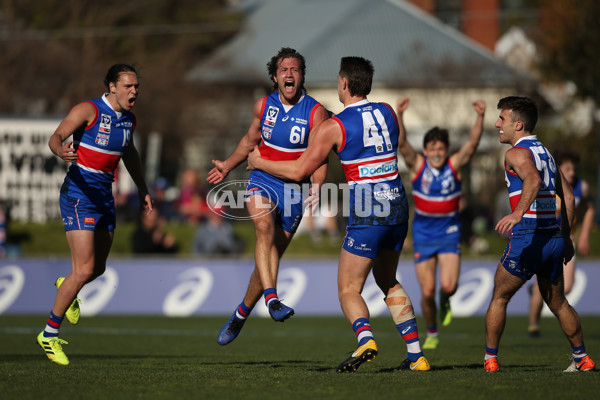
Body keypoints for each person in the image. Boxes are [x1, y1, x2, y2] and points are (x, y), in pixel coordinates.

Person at [248, 56, 430, 373]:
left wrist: (259, 163)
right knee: (388, 280)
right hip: (399, 204)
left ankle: (365, 339)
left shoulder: (334, 127)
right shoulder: (388, 112)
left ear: (343, 83)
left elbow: (299, 169)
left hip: (368, 208)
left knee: (348, 288)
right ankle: (417, 356)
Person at [207, 47, 329, 345]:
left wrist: (317, 185)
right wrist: (227, 164)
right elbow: (250, 141)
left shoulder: (316, 112)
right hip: (261, 179)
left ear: (302, 76)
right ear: (274, 76)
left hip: (295, 189)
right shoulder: (264, 106)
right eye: (283, 69)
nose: (289, 73)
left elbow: (320, 157)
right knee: (263, 228)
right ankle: (273, 300)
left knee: (269, 260)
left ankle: (240, 314)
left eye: (295, 69)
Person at [37, 64, 153, 366]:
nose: (134, 91)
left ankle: (68, 286)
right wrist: (60, 150)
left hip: (103, 196)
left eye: (136, 87)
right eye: (128, 86)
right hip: (79, 195)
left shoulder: (129, 120)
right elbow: (56, 137)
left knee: (97, 269)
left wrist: (143, 188)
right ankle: (49, 334)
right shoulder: (88, 110)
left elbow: (130, 153)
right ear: (112, 87)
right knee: (84, 268)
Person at [484, 96, 595, 373]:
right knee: (558, 303)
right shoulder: (546, 153)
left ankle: (490, 359)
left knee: (499, 297)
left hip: (528, 237)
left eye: (503, 119)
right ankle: (582, 357)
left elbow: (532, 180)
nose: (498, 123)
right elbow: (568, 198)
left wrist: (517, 214)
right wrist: (566, 237)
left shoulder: (516, 153)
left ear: (518, 125)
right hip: (554, 238)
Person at [395, 97, 485, 349]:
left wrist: (480, 116)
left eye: (441, 149)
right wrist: (400, 115)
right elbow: (402, 144)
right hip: (423, 233)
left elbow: (472, 144)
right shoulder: (418, 166)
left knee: (449, 285)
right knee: (426, 292)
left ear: (447, 150)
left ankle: (446, 299)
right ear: (425, 150)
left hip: (449, 232)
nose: (436, 153)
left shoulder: (454, 166)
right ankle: (432, 332)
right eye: (432, 148)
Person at [527, 150, 595, 337]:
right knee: (542, 285)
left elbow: (589, 209)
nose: (572, 172)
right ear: (558, 169)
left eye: (574, 168)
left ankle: (535, 289)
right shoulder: (548, 186)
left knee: (567, 286)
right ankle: (533, 324)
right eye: (567, 168)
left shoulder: (582, 187)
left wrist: (584, 235)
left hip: (567, 238)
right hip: (546, 238)